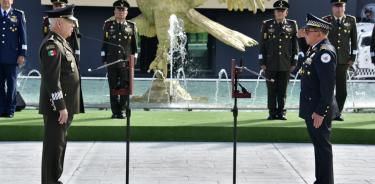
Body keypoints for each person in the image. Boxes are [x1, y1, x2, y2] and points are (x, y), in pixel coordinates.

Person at [39, 5, 83, 184]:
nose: (73, 26)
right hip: (57, 108)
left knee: (59, 146)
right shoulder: (52, 45)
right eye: (69, 22)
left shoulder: (61, 42)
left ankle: (53, 180)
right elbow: (51, 80)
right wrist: (61, 107)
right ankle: (50, 181)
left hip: (64, 107)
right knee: (54, 147)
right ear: (58, 23)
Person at [299, 13, 336, 184]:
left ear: (320, 33)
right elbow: (306, 59)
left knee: (322, 147)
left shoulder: (324, 53)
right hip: (312, 107)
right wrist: (301, 38)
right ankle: (321, 180)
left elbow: (327, 87)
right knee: (319, 147)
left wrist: (320, 111)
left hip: (318, 109)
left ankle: (325, 182)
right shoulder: (315, 49)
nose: (305, 33)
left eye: (308, 31)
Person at [258, 0, 298, 120]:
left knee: (282, 90)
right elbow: (262, 45)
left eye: (282, 11)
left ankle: (281, 112)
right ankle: (272, 112)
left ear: (286, 12)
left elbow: (295, 45)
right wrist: (262, 62)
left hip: (286, 63)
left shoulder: (292, 24)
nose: (280, 13)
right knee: (271, 89)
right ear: (274, 12)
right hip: (270, 63)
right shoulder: (267, 24)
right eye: (278, 11)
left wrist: (294, 62)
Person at [101, 0, 137, 119]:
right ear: (114, 11)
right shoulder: (108, 25)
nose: (121, 12)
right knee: (113, 87)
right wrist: (104, 58)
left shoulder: (131, 26)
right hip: (112, 60)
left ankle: (121, 110)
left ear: (126, 12)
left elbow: (134, 47)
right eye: (118, 10)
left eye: (123, 10)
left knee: (125, 87)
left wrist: (133, 60)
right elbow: (104, 44)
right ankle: (114, 111)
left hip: (126, 62)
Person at [322, 0, 357, 121]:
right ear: (332, 8)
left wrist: (353, 58)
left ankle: (337, 113)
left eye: (341, 6)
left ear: (344, 7)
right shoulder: (325, 20)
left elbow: (354, 42)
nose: (338, 9)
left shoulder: (351, 20)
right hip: (328, 60)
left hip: (343, 60)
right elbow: (321, 40)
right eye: (336, 6)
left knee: (342, 91)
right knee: (327, 89)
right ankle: (327, 112)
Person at [0, 0, 27, 118]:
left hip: (12, 57)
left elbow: (23, 36)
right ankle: (1, 108)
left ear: (12, 1)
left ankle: (10, 109)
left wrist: (22, 54)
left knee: (12, 85)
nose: (5, 0)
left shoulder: (18, 15)